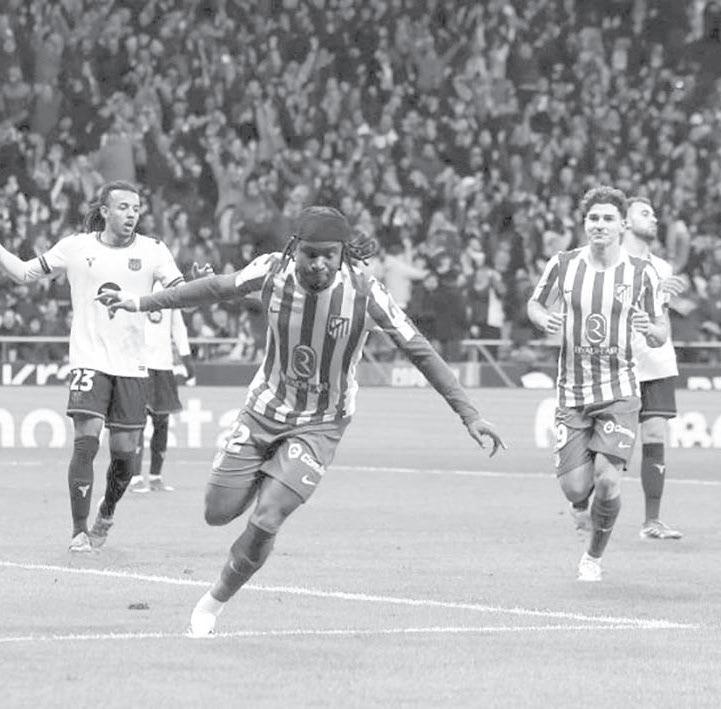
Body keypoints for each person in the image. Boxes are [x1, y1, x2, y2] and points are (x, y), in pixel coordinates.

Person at [98, 206, 506, 636]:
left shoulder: (365, 291)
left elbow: (419, 349)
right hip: (263, 410)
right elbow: (216, 287)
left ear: (343, 253)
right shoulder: (272, 271)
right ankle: (267, 474)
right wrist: (139, 303)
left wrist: (470, 414)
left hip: (321, 423)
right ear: (295, 249)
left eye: (330, 255)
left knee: (267, 518)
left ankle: (211, 603)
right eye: (311, 254)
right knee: (217, 513)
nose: (320, 264)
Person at [0, 180, 185, 552]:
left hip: (133, 366)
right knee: (86, 442)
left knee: (125, 456)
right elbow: (24, 273)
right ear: (104, 211)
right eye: (123, 207)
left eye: (136, 208)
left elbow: (180, 293)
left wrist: (205, 282)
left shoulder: (153, 250)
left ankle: (107, 509)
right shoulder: (76, 247)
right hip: (89, 360)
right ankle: (79, 531)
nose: (131, 214)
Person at [526, 186, 667, 582]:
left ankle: (592, 558)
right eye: (593, 218)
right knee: (576, 489)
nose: (600, 225)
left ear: (623, 226)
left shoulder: (641, 273)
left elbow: (661, 331)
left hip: (620, 392)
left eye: (608, 218)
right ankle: (579, 503)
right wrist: (543, 319)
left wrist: (650, 329)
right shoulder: (563, 265)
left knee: (607, 481)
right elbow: (534, 304)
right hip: (572, 394)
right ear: (584, 223)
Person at [623, 197, 689, 540]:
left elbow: (660, 317)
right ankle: (588, 504)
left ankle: (652, 521)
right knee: (614, 442)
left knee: (654, 435)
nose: (654, 219)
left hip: (657, 363)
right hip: (618, 362)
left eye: (654, 214)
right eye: (645, 213)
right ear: (625, 221)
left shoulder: (662, 268)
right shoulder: (608, 263)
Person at [127, 282, 195, 493]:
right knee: (138, 422)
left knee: (162, 422)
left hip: (164, 366)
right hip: (139, 364)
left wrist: (187, 360)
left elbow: (178, 328)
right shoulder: (136, 284)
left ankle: (156, 476)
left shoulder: (171, 288)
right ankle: (135, 477)